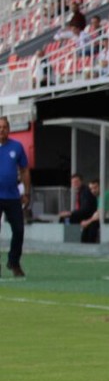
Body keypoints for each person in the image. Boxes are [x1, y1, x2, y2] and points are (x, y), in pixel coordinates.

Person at [0, 116, 30, 278]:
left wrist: (26, 192)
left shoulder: (17, 147)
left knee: (18, 229)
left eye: (4, 127)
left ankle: (14, 262)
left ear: (9, 129)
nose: (2, 130)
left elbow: (24, 170)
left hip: (12, 196)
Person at [79, 179, 101, 243]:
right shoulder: (98, 198)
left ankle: (90, 246)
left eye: (95, 187)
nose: (93, 190)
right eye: (91, 189)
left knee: (93, 224)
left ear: (101, 186)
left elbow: (99, 215)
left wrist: (87, 222)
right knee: (89, 225)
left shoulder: (106, 195)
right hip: (104, 220)